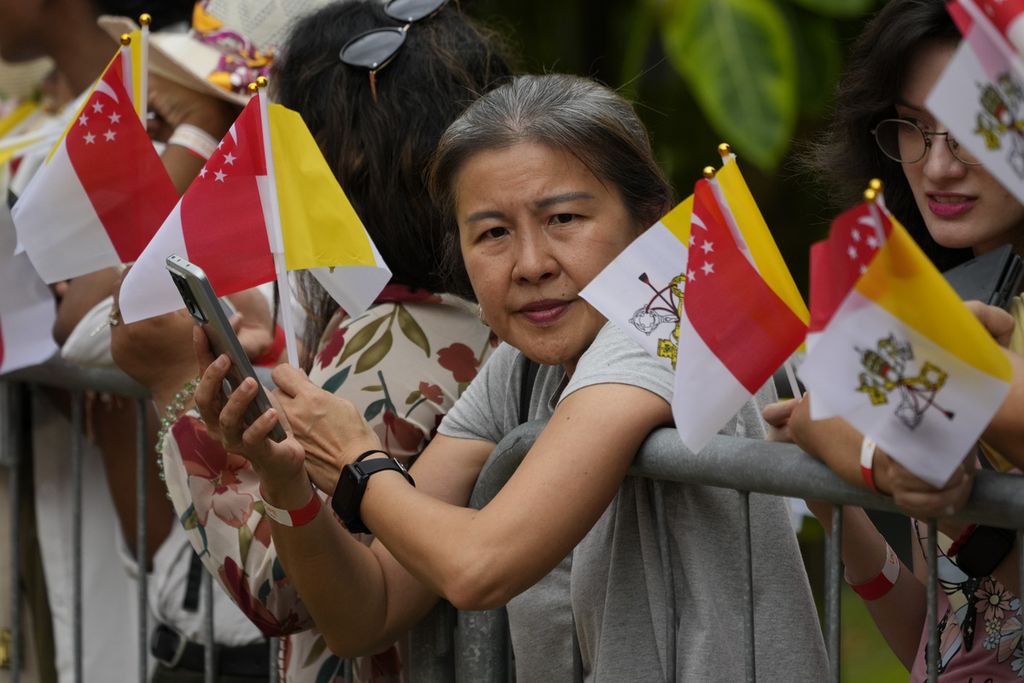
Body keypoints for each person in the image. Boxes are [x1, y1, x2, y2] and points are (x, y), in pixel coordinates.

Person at [195, 73, 830, 681]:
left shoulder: (665, 328)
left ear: (647, 222)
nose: (530, 264)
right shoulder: (523, 366)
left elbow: (480, 568)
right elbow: (368, 614)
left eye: (564, 220)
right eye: (493, 233)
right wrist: (286, 480)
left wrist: (360, 465)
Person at [110, 1, 512, 680]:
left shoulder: (398, 333)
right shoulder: (461, 315)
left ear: (344, 150)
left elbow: (283, 586)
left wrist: (174, 381)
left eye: (291, 134)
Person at [763, 0, 1024, 678]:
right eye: (914, 128)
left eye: (971, 131)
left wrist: (854, 433)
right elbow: (943, 638)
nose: (937, 167)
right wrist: (848, 501)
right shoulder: (932, 298)